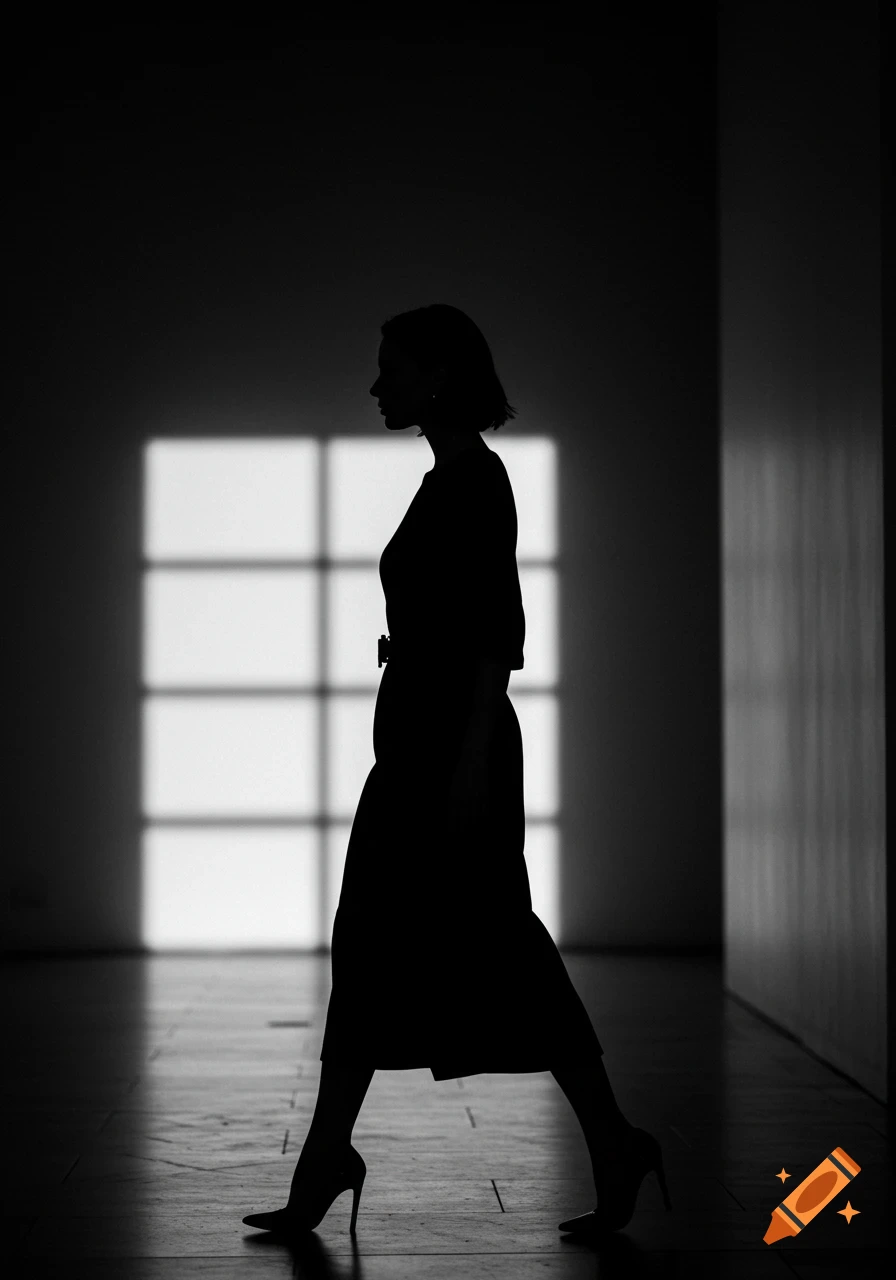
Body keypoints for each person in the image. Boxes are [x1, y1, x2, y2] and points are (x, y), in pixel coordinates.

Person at [243, 304, 671, 1238]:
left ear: (439, 376)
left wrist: (472, 768)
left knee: (497, 945)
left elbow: (492, 638)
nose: (376, 385)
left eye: (390, 368)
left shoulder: (477, 479)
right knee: (369, 946)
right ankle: (330, 1157)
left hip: (452, 753)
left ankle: (611, 1139)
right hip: (419, 749)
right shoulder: (449, 480)